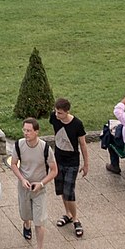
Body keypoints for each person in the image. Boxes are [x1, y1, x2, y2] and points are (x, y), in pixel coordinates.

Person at [9, 118, 57, 249]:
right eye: (24, 130)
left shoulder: (45, 149)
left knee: (40, 221)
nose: (26, 133)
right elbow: (13, 164)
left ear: (37, 132)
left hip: (39, 189)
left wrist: (42, 183)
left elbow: (54, 171)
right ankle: (26, 224)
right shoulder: (19, 145)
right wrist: (22, 179)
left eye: (29, 131)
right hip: (24, 187)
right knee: (25, 214)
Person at [50, 98, 88, 237]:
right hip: (58, 160)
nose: (57, 115)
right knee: (61, 189)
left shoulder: (77, 124)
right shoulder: (54, 118)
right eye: (56, 112)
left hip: (72, 161)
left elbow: (83, 144)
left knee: (69, 191)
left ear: (67, 112)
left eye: (60, 113)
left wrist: (86, 164)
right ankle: (68, 214)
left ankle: (76, 219)